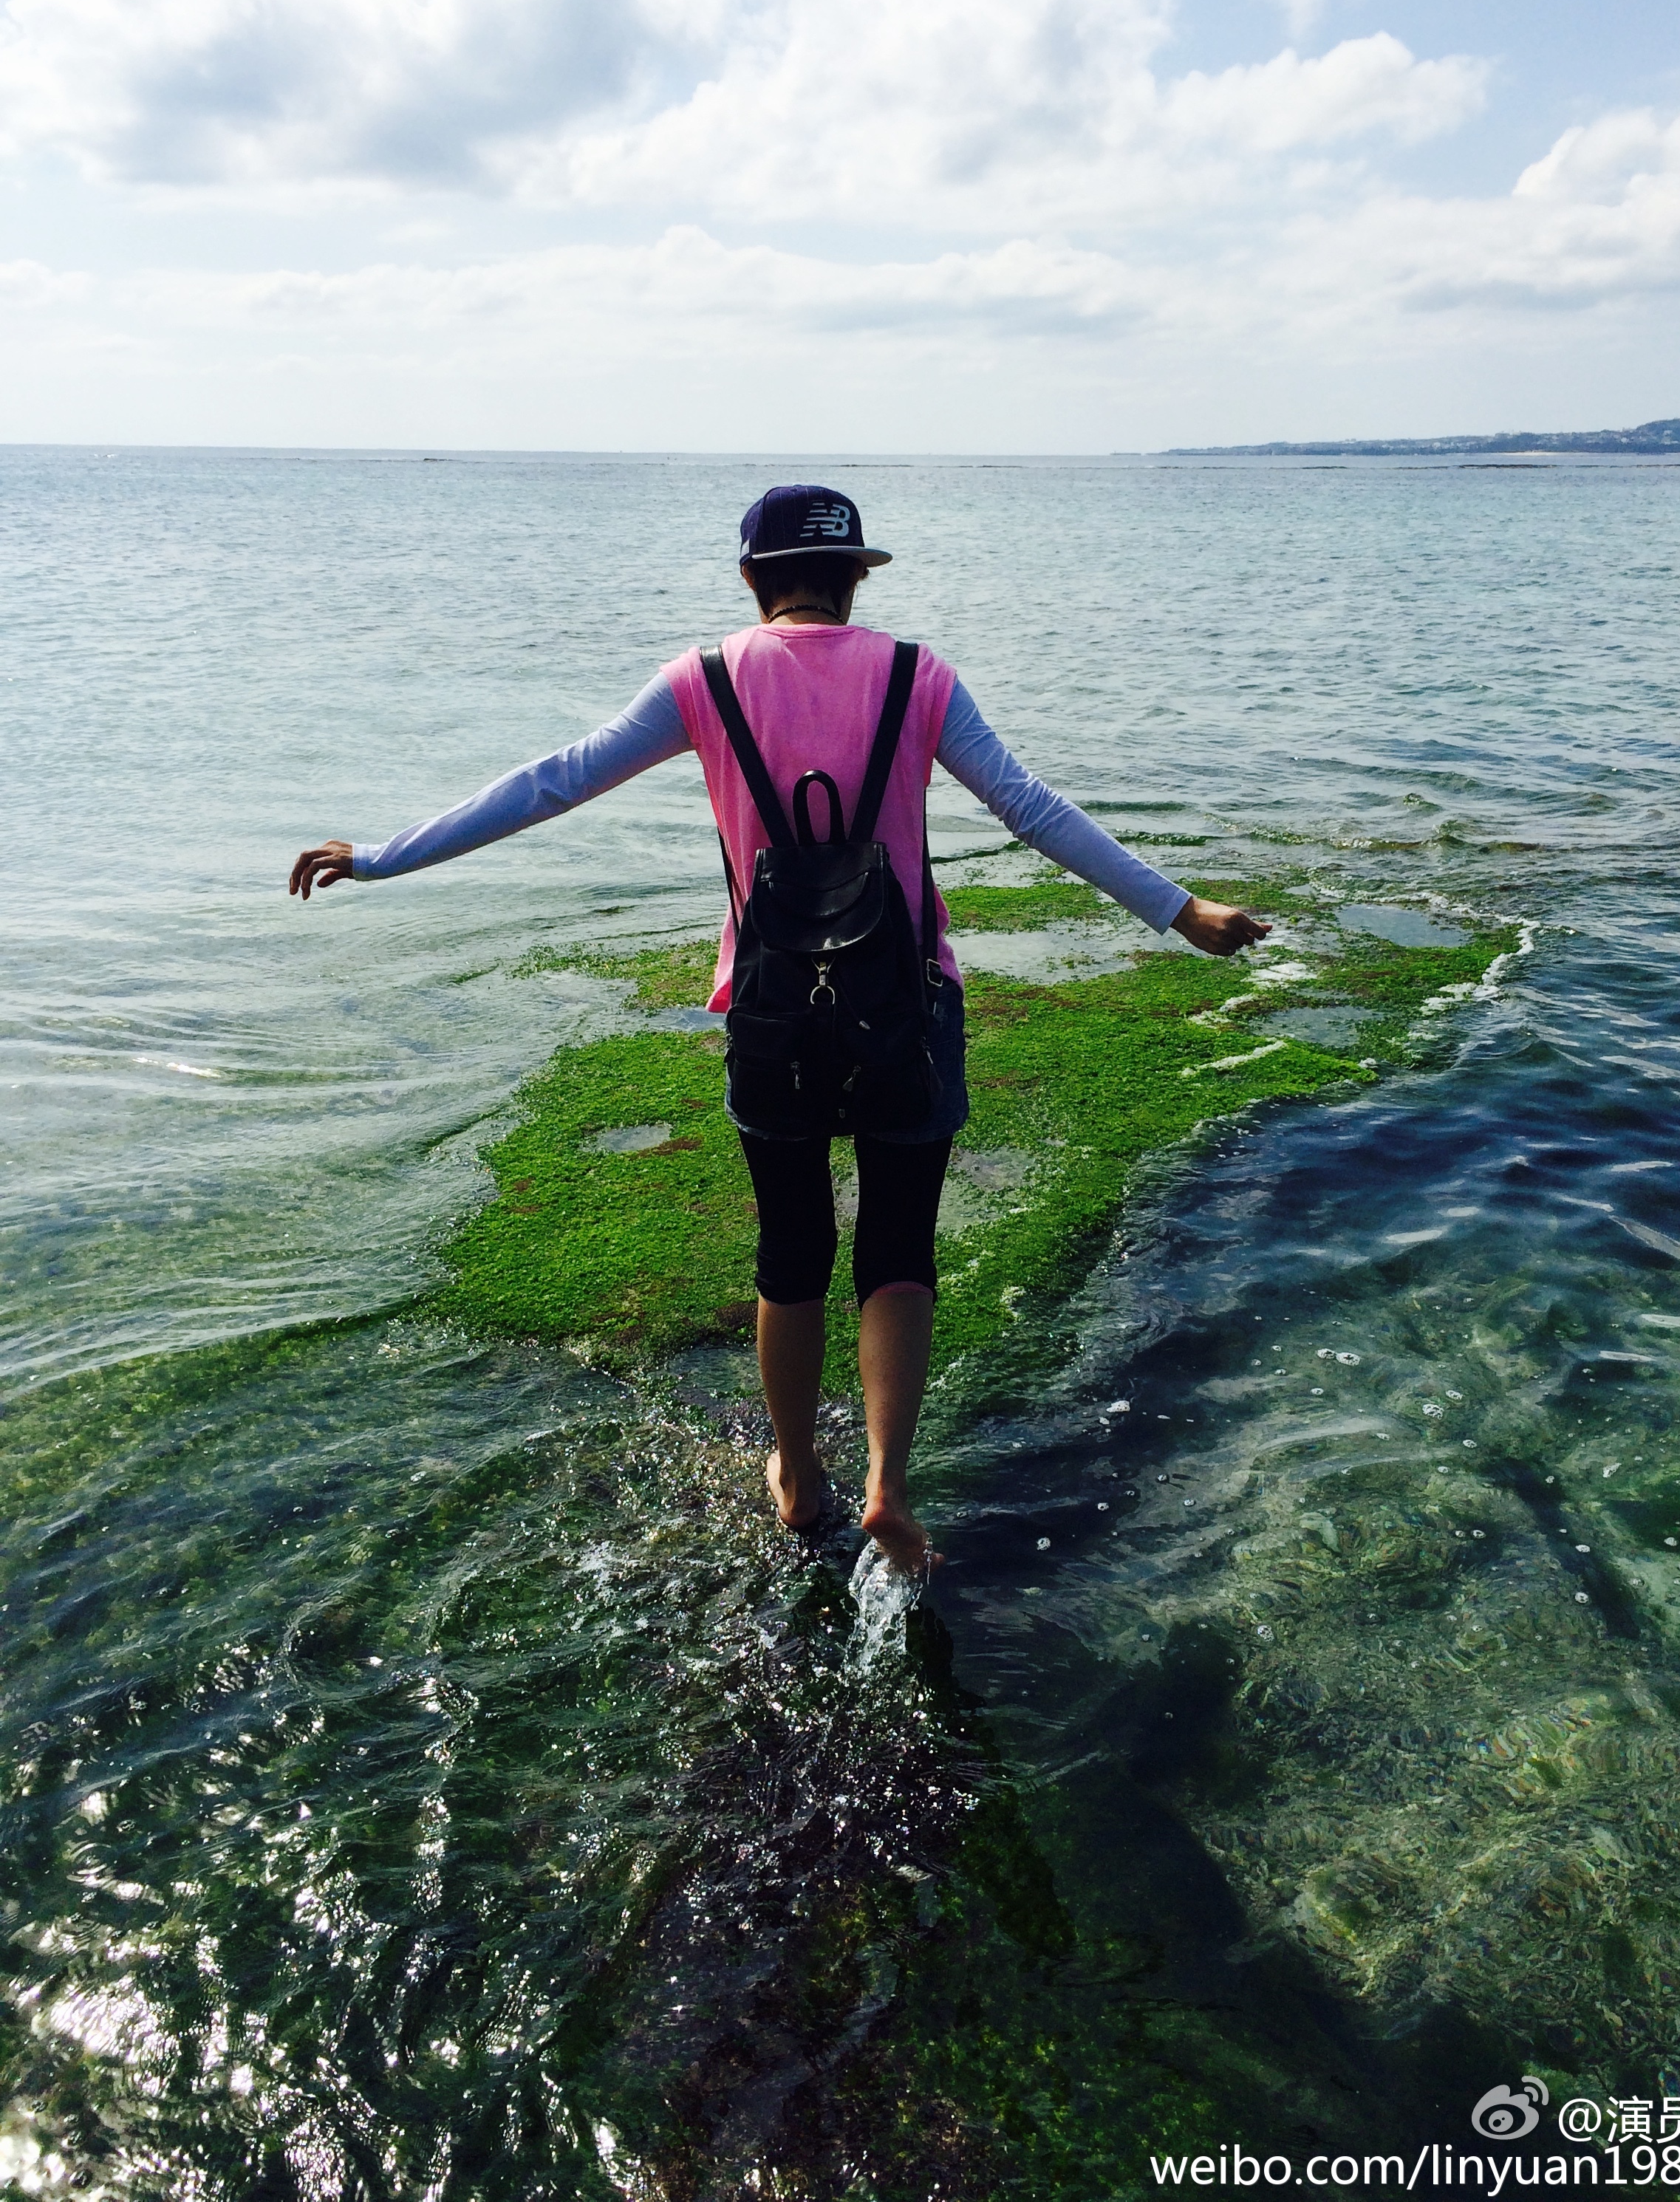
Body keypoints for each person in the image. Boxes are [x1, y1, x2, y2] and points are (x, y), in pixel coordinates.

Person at [290, 484, 1268, 1575]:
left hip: (770, 1010)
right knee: (899, 1249)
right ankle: (889, 1484)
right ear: (855, 577)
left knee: (792, 1249)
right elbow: (1031, 809)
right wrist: (1180, 911)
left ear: (755, 579)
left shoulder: (703, 681)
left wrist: (381, 857)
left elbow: (551, 784)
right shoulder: (919, 675)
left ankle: (799, 1476)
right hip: (907, 1005)